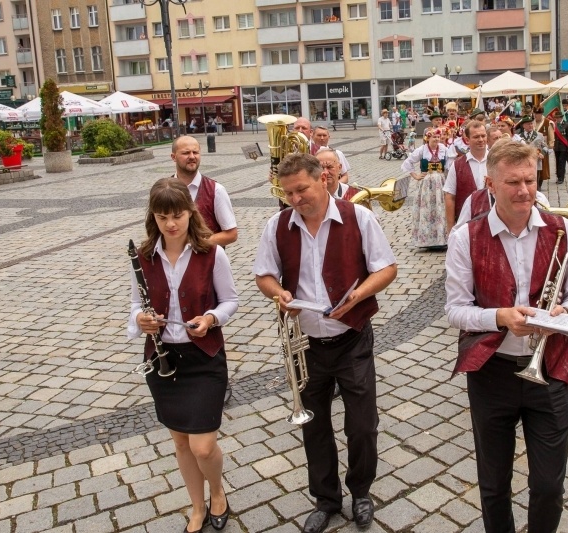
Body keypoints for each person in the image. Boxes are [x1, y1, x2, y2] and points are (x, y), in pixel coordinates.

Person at [445, 141, 568, 533]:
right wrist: (500, 317)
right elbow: (455, 309)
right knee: (494, 484)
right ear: (491, 184)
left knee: (549, 486)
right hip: (492, 373)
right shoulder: (465, 237)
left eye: (530, 180)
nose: (525, 190)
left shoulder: (563, 230)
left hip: (550, 369)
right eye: (513, 182)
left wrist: (567, 312)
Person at [253, 153, 397, 533]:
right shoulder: (277, 225)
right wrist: (279, 294)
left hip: (352, 338)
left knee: (362, 425)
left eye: (301, 189)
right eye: (288, 193)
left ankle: (361, 492)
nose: (295, 199)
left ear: (323, 179)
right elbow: (264, 274)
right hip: (306, 343)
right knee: (313, 427)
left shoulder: (358, 217)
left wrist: (358, 295)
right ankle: (326, 499)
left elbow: (387, 267)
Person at [128, 178, 238, 533]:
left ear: (190, 213)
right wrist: (140, 319)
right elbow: (135, 304)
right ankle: (196, 505)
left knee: (203, 446)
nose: (170, 224)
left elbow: (230, 300)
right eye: (162, 217)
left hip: (204, 358)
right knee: (181, 442)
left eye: (176, 215)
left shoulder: (212, 253)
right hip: (163, 362)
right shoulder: (143, 256)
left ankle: (217, 492)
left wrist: (210, 318)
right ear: (153, 217)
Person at [171, 137, 238, 247]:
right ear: (173, 157)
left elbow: (231, 234)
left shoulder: (216, 190)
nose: (192, 157)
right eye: (186, 153)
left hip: (206, 257)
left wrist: (196, 244)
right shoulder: (164, 190)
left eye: (195, 152)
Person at [401, 127, 448, 248]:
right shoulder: (422, 150)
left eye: (438, 137)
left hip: (440, 183)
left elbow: (449, 165)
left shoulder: (443, 149)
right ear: (427, 138)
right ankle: (427, 239)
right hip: (426, 184)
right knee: (427, 208)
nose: (436, 139)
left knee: (440, 208)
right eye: (434, 137)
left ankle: (441, 239)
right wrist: (415, 176)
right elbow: (407, 162)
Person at [444, 122, 489, 235]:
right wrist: (450, 229)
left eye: (483, 136)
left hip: (492, 222)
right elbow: (450, 197)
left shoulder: (496, 161)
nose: (481, 139)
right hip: (465, 225)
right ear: (467, 140)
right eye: (476, 137)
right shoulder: (457, 165)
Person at [513, 115, 548, 187]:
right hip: (523, 163)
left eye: (531, 123)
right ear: (523, 126)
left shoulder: (539, 135)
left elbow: (545, 147)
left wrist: (542, 153)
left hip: (536, 162)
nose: (530, 125)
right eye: (528, 124)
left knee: (536, 182)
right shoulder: (518, 137)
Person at [552, 109, 568, 183]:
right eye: (556, 118)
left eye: (559, 117)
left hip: (564, 147)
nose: (557, 119)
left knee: (562, 162)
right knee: (557, 161)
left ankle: (561, 178)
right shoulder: (553, 125)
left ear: (561, 117)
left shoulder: (567, 124)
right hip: (556, 147)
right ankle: (558, 176)